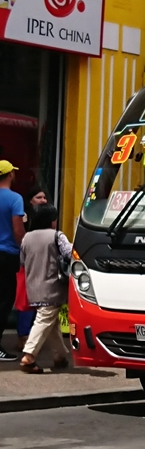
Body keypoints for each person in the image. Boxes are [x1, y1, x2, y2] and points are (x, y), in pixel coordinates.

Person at [19, 203, 71, 374]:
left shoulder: (27, 238)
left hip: (33, 286)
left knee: (51, 322)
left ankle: (60, 356)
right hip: (52, 287)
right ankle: (29, 355)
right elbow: (70, 254)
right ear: (52, 220)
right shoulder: (57, 236)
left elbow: (22, 260)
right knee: (44, 319)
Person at [14, 185, 48, 350]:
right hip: (25, 263)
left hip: (40, 263)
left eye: (44, 197)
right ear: (30, 201)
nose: (43, 201)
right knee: (25, 300)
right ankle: (24, 336)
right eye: (38, 198)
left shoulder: (47, 217)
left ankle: (32, 337)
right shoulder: (25, 218)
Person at [0, 160, 25, 362]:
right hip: (6, 255)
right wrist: (24, 248)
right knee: (4, 300)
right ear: (9, 175)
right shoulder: (15, 199)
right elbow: (18, 230)